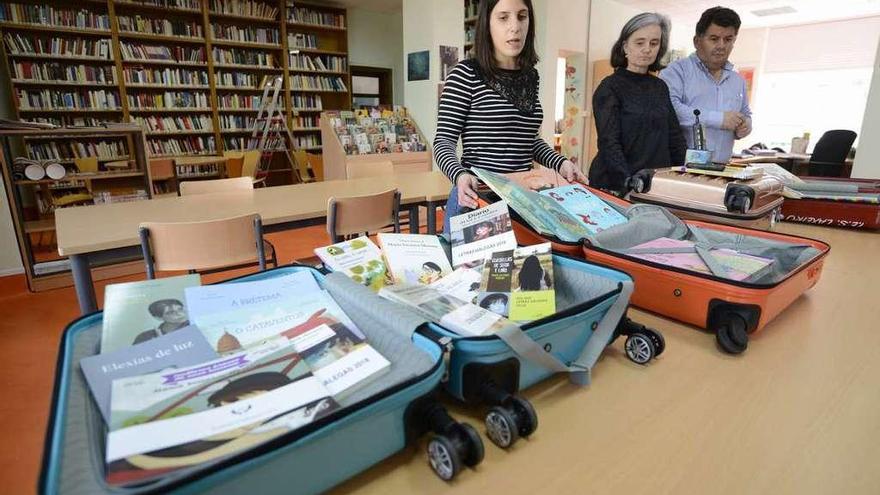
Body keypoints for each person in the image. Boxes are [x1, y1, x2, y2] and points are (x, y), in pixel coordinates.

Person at [434, 0, 587, 233]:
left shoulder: (530, 77)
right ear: (487, 24)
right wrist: (459, 175)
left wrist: (561, 162)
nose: (515, 27)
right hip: (477, 199)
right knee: (472, 270)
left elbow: (528, 139)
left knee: (524, 269)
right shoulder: (465, 74)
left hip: (523, 200)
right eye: (503, 17)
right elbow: (443, 141)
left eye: (522, 16)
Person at [589, 12, 687, 194]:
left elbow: (674, 138)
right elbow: (609, 143)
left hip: (654, 183)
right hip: (616, 184)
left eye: (654, 43)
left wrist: (685, 174)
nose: (647, 49)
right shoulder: (609, 87)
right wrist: (628, 184)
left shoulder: (660, 86)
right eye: (640, 42)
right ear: (625, 46)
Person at [660, 6, 751, 164]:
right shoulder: (676, 70)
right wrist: (719, 119)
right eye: (714, 39)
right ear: (697, 41)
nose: (721, 46)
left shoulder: (738, 81)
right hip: (682, 168)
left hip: (722, 168)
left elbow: (745, 112)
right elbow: (670, 109)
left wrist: (745, 126)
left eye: (728, 39)